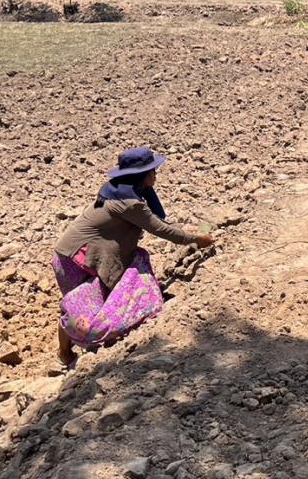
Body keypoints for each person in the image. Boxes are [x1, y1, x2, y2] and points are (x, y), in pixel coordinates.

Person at [52, 147, 215, 366]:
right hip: (76, 260)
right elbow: (161, 229)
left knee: (80, 305)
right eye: (153, 172)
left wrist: (189, 233)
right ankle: (70, 351)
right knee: (79, 310)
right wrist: (197, 240)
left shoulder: (119, 189)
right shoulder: (129, 203)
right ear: (144, 175)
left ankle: (72, 352)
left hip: (73, 254)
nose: (156, 176)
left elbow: (158, 220)